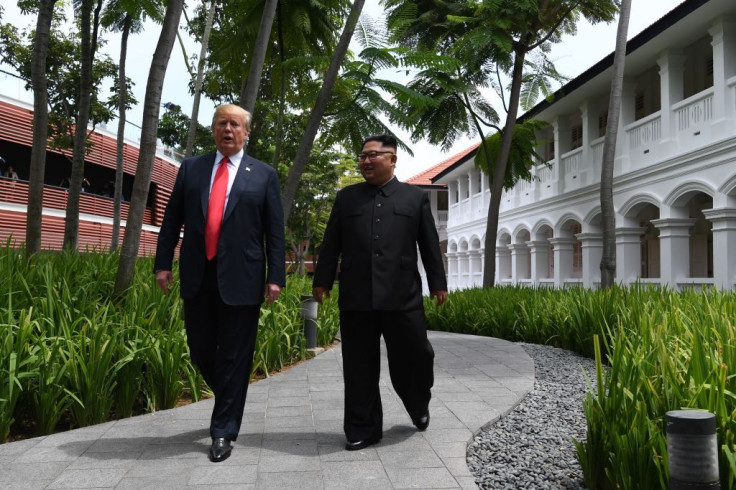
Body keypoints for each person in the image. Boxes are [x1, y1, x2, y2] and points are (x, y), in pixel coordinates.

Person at [154, 104, 285, 463]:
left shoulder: (263, 174)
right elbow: (171, 220)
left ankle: (223, 430)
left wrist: (276, 276)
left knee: (235, 355)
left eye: (235, 125)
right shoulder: (192, 169)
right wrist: (162, 263)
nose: (228, 129)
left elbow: (274, 230)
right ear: (213, 130)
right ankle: (231, 396)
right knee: (200, 349)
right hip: (198, 273)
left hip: (243, 277)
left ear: (246, 133)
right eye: (221, 123)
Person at [312, 134, 448, 451]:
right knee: (359, 364)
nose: (366, 161)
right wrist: (321, 279)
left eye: (373, 155)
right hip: (357, 295)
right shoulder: (346, 198)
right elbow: (331, 242)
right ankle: (363, 427)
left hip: (403, 296)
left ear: (393, 159)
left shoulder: (414, 199)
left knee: (416, 355)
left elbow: (429, 245)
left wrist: (438, 283)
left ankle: (417, 402)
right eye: (362, 156)